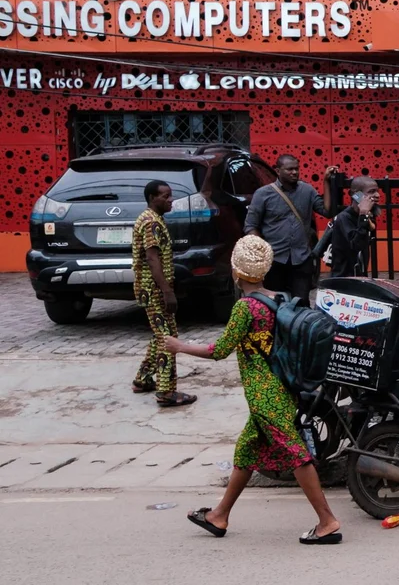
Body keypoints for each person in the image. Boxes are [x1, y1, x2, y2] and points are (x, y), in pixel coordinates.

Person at [167, 236, 342, 544]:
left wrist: (180, 346)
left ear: (236, 272)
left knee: (295, 454)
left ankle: (327, 521)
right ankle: (219, 515)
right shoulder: (279, 298)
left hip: (264, 394)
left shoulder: (244, 308)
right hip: (282, 388)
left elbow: (219, 350)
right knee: (247, 450)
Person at [244, 154, 334, 302]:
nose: (294, 172)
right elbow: (250, 225)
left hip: (301, 258)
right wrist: (262, 250)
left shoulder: (307, 190)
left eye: (296, 169)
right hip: (274, 260)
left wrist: (326, 182)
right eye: (289, 169)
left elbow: (327, 211)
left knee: (301, 303)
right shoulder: (263, 194)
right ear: (278, 171)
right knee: (275, 303)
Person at [132, 180, 191, 407]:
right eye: (165, 196)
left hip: (150, 288)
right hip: (155, 290)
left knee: (161, 334)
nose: (170, 200)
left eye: (170, 195)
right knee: (168, 338)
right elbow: (152, 258)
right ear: (152, 198)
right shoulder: (150, 223)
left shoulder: (152, 219)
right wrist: (167, 292)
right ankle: (166, 392)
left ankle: (143, 379)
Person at [318, 175, 380, 278]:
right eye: (371, 191)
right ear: (356, 195)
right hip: (343, 279)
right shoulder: (344, 218)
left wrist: (364, 216)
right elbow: (356, 245)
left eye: (377, 191)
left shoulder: (366, 215)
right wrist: (363, 215)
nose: (377, 195)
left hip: (358, 276)